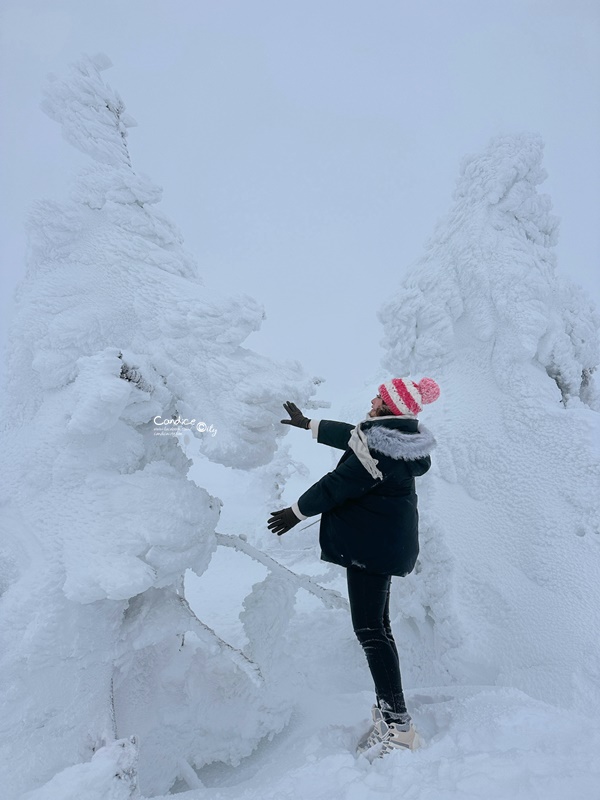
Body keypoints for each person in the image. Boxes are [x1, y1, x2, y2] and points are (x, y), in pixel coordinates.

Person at [267, 377, 439, 758]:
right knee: (379, 628)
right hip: (381, 544)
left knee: (370, 631)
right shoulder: (396, 438)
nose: (372, 399)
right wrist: (309, 424)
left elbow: (336, 485)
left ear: (389, 408)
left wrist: (295, 513)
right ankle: (394, 717)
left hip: (371, 548)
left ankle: (398, 727)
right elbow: (354, 435)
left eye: (379, 397)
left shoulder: (378, 451)